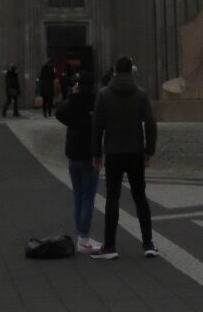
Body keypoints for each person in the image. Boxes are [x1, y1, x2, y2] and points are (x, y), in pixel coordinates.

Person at [90, 55, 159, 260]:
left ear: (114, 71)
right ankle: (148, 244)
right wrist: (149, 151)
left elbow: (97, 126)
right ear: (131, 71)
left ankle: (110, 246)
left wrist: (96, 153)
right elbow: (151, 124)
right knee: (140, 197)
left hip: (113, 153)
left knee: (112, 198)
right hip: (135, 152)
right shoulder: (141, 94)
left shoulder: (104, 95)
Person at [55, 69, 99, 252]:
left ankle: (81, 235)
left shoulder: (72, 102)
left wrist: (72, 97)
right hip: (89, 154)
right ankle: (83, 237)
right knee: (88, 197)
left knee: (79, 196)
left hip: (73, 153)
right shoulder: (95, 102)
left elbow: (59, 113)